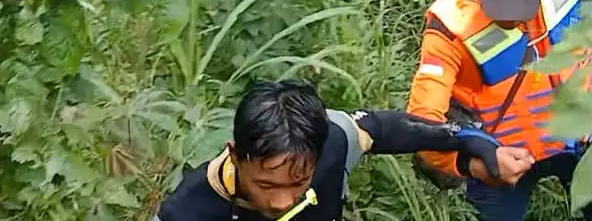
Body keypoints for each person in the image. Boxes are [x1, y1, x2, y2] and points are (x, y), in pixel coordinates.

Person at [406, 0, 592, 221]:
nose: (512, 19)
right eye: (499, 6)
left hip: (585, 131)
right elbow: (421, 124)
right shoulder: (450, 28)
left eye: (520, 6)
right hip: (502, 156)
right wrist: (473, 165)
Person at [155, 79, 533, 220]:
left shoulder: (331, 142)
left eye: (300, 181)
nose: (284, 201)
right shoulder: (189, 210)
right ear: (235, 155)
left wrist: (468, 140)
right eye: (267, 186)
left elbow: (381, 129)